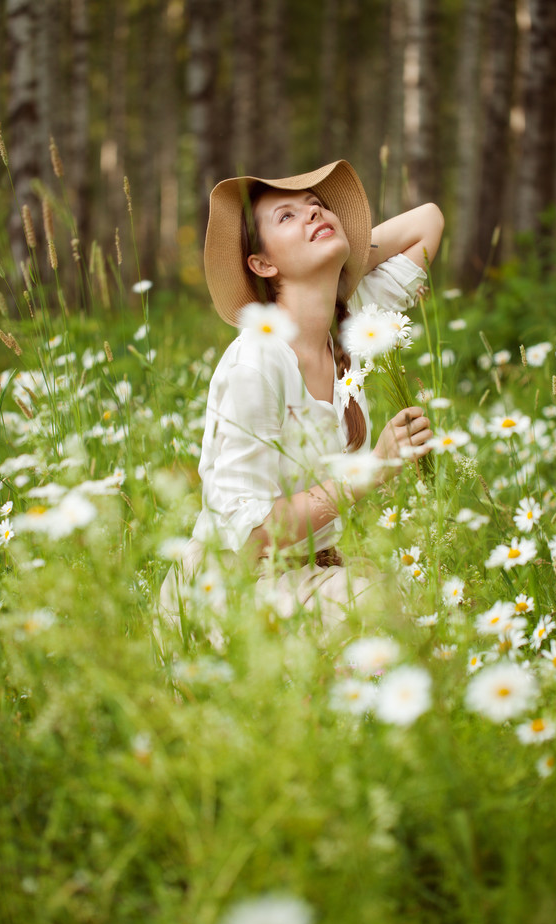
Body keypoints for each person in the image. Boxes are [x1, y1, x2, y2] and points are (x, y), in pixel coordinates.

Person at [159, 160, 443, 630]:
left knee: (418, 598)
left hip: (309, 575)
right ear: (263, 264)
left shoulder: (352, 326)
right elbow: (248, 537)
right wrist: (372, 469)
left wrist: (343, 259)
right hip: (233, 587)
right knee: (381, 612)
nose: (313, 214)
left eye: (317, 207)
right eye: (287, 217)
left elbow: (427, 221)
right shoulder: (256, 361)